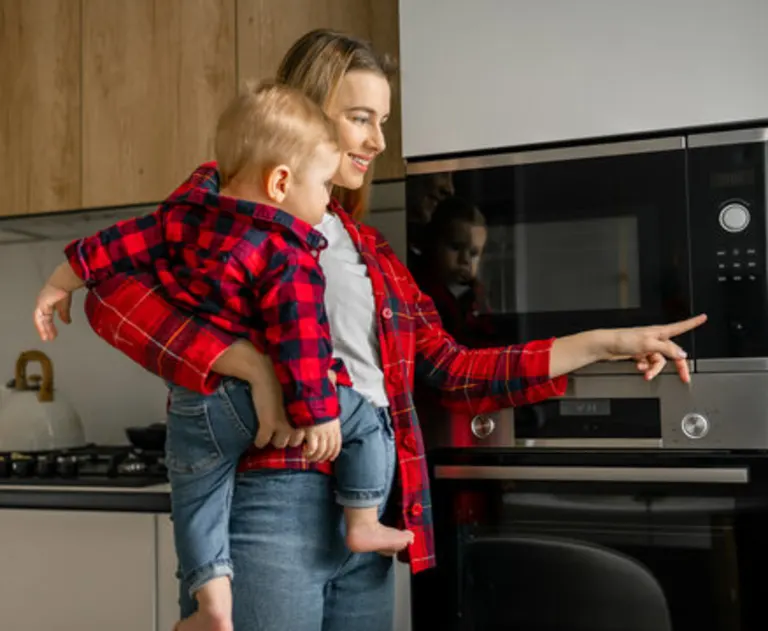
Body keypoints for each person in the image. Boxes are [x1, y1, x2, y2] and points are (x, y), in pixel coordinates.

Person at [32, 28, 707, 631]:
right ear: (303, 111)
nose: (379, 141)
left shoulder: (370, 250)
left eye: (382, 121)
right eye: (361, 118)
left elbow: (450, 368)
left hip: (369, 511)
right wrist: (249, 365)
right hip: (272, 502)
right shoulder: (225, 202)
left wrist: (603, 343)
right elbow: (111, 301)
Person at [35, 81, 412, 631]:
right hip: (269, 447)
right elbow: (302, 342)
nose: (377, 140)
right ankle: (363, 519)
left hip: (199, 406)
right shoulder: (288, 249)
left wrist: (58, 280)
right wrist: (313, 408)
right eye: (360, 118)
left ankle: (211, 602)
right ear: (281, 180)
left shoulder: (187, 216)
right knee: (367, 420)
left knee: (196, 499)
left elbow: (114, 246)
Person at [411, 195, 494, 347]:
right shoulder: (422, 289)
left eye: (474, 253)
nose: (465, 259)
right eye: (455, 247)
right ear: (433, 244)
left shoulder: (477, 295)